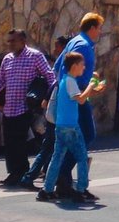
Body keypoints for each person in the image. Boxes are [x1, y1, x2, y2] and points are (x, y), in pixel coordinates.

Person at [27, 12, 105, 186]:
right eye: (99, 28)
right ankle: (63, 175)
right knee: (86, 135)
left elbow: (57, 67)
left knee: (64, 143)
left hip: (67, 96)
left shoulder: (74, 42)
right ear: (92, 28)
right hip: (75, 99)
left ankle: (59, 181)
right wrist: (91, 87)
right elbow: (75, 77)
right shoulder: (84, 46)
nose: (100, 32)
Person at [0, 28, 54, 187]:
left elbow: (49, 76)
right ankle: (13, 172)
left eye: (13, 41)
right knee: (9, 142)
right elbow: (0, 80)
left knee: (20, 141)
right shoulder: (7, 59)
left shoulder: (35, 56)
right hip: (9, 107)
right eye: (8, 41)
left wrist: (48, 96)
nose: (10, 44)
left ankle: (22, 172)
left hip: (26, 106)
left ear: (23, 41)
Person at [37, 51, 105, 203]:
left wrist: (91, 90)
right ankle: (80, 190)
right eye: (82, 65)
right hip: (70, 127)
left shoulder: (65, 80)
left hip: (61, 126)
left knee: (57, 158)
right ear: (74, 66)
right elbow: (81, 99)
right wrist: (91, 85)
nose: (84, 67)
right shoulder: (70, 81)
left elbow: (78, 97)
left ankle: (47, 190)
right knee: (81, 157)